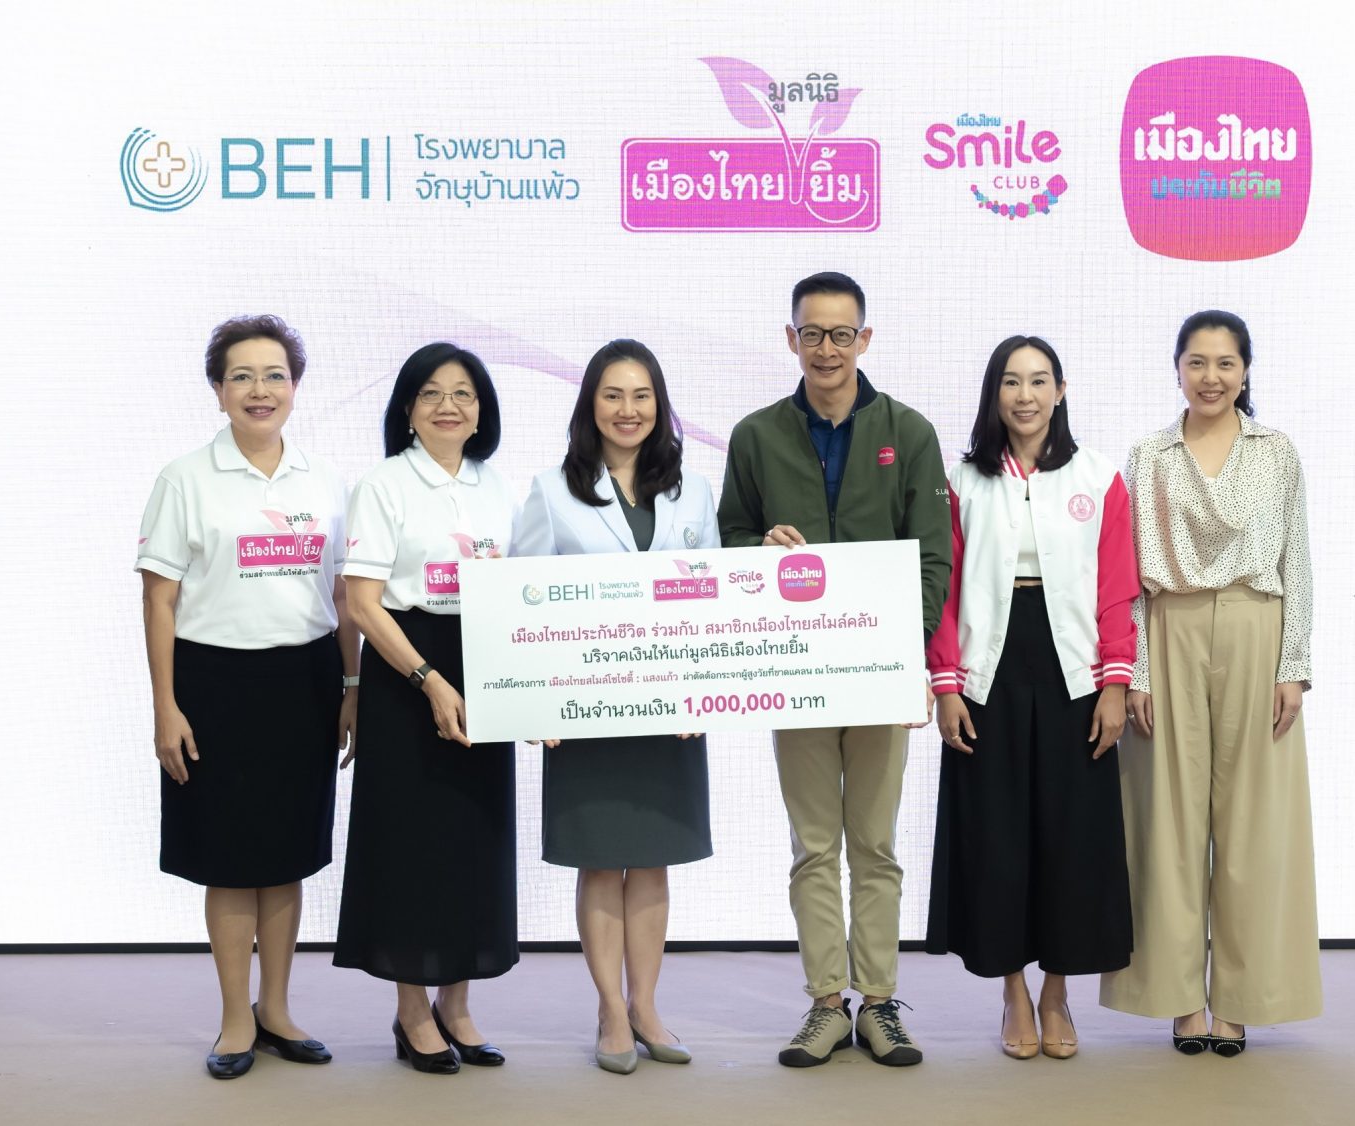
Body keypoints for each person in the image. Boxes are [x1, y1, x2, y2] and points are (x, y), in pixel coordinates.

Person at [717, 271, 951, 1068]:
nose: (826, 349)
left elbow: (933, 558)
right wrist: (759, 548)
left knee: (875, 844)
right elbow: (729, 540)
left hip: (881, 673)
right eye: (812, 334)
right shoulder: (756, 436)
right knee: (815, 845)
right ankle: (825, 1003)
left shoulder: (908, 432)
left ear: (864, 339)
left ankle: (879, 1003)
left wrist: (909, 655)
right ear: (791, 339)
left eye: (841, 334)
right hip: (798, 671)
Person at [136, 314, 355, 1079]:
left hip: (305, 682)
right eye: (242, 376)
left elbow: (343, 594)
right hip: (214, 684)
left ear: (295, 387)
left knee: (286, 856)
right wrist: (165, 705)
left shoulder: (325, 481)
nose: (260, 390)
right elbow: (159, 598)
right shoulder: (185, 479)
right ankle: (235, 1020)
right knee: (228, 860)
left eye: (274, 376)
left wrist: (351, 685)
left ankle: (278, 1010)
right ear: (218, 389)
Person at [1099, 310, 1321, 1056]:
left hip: (1257, 626)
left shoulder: (1277, 452)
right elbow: (1128, 571)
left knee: (1256, 822)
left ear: (1246, 370)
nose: (1211, 377)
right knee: (1167, 820)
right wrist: (1133, 670)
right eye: (1197, 362)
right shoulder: (1149, 455)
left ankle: (1241, 1000)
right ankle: (1177, 1000)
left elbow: (1297, 562)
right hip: (1170, 629)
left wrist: (1293, 666)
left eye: (1226, 363)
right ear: (1177, 369)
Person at [924, 335, 1138, 1061]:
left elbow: (1117, 588)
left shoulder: (1098, 476)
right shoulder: (962, 481)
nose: (1026, 396)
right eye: (1011, 382)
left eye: (1039, 381)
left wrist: (1115, 684)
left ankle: (1056, 992)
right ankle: (1013, 990)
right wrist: (946, 683)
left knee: (1071, 837)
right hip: (988, 669)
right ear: (994, 393)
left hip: (1074, 669)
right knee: (998, 837)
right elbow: (944, 589)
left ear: (1061, 390)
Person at [511, 339, 717, 1075]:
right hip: (583, 714)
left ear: (659, 405)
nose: (627, 410)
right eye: (612, 395)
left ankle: (647, 1007)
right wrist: (537, 705)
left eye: (641, 395)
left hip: (669, 711)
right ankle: (609, 1010)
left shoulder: (694, 491)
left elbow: (713, 598)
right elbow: (522, 603)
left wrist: (701, 690)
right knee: (600, 863)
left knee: (653, 861)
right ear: (589, 405)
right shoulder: (550, 491)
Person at [332, 343, 519, 1074]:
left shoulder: (495, 487)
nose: (449, 405)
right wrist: (430, 680)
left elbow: (517, 593)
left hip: (484, 668)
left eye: (464, 393)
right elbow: (361, 602)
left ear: (481, 410)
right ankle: (412, 1010)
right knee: (410, 846)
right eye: (432, 392)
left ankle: (457, 1005)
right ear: (407, 408)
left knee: (472, 841)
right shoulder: (383, 484)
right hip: (407, 670)